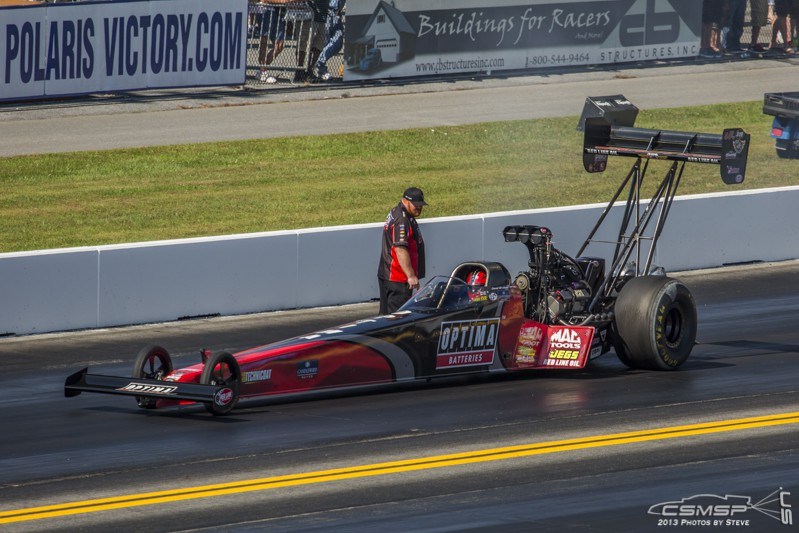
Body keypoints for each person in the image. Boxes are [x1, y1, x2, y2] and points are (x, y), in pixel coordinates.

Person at [377, 187, 427, 314]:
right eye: (416, 204)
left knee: (385, 317)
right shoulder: (402, 220)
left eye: (421, 205)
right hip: (398, 278)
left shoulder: (399, 212)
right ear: (405, 201)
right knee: (398, 318)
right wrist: (411, 276)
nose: (419, 207)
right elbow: (400, 249)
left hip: (389, 274)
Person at [256, 0, 292, 83]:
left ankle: (262, 70)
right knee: (264, 41)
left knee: (279, 46)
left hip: (278, 12)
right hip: (266, 10)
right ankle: (263, 71)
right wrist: (283, 1)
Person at [314, 0, 345, 81]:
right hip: (327, 12)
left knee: (337, 42)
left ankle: (319, 65)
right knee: (327, 41)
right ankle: (319, 67)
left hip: (336, 13)